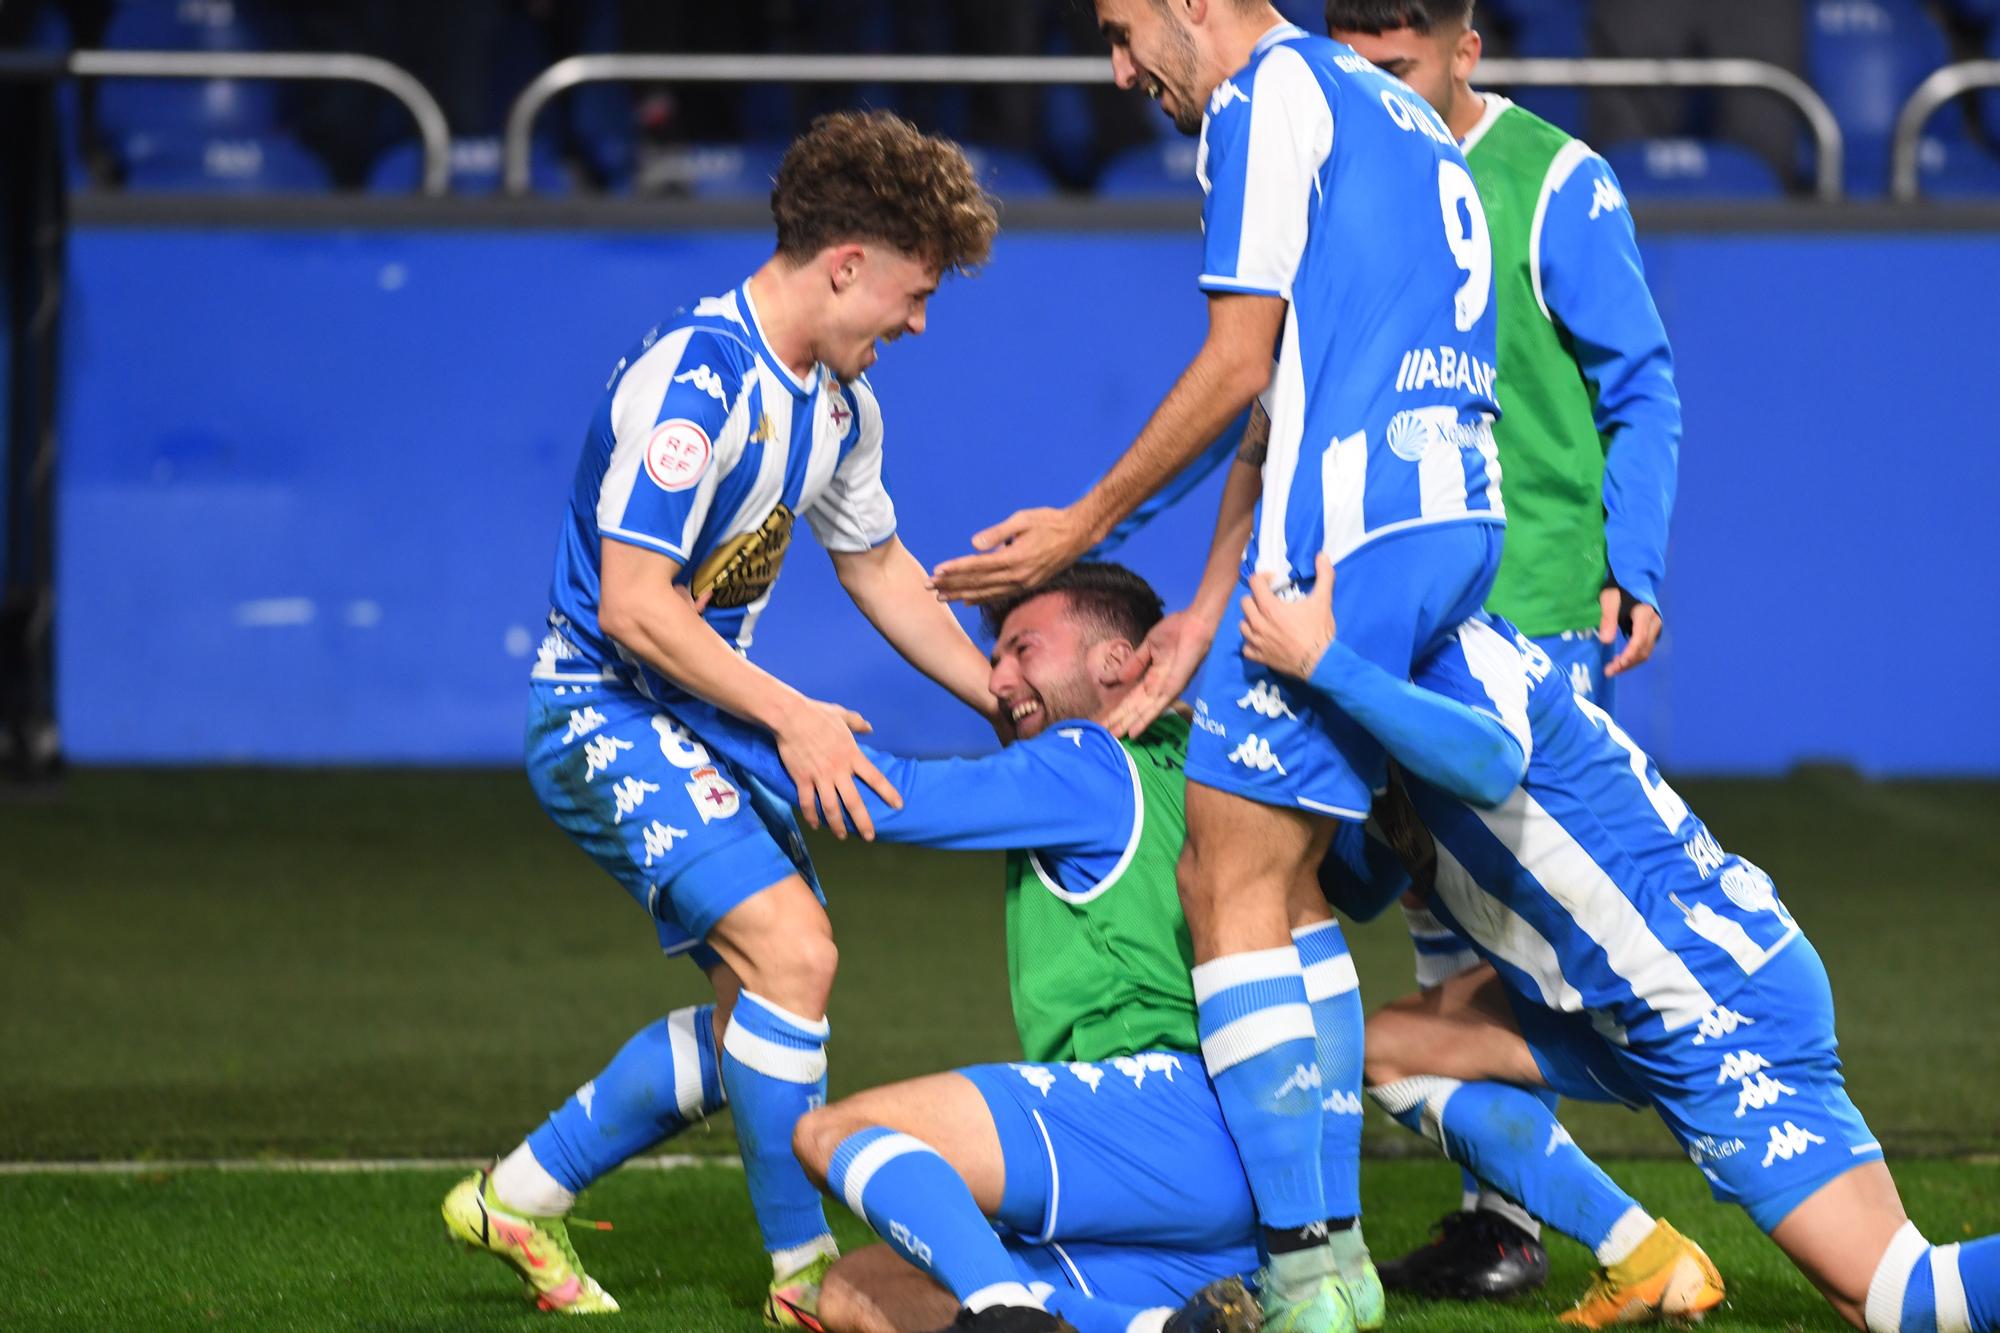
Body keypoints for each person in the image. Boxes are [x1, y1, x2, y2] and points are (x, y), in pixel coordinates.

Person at [931, 6, 1504, 1329]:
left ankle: (1306, 1269)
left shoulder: (1262, 101)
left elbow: (1239, 357)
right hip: (1446, 519)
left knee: (1220, 869)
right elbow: (1281, 390)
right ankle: (1334, 1257)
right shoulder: (1391, 105)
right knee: (1287, 874)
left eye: (1125, 29)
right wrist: (1200, 604)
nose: (1119, 69)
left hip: (1354, 530)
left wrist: (1086, 525)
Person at [439, 110, 1002, 1325]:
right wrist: (792, 713)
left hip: (696, 716)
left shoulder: (840, 408)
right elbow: (637, 608)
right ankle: (802, 1280)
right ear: (844, 262)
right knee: (795, 953)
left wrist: (1002, 696)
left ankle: (515, 1197)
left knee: (767, 1004)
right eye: (911, 294)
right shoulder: (701, 379)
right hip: (604, 706)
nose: (915, 323)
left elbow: (882, 568)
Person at [1232, 559, 2000, 1333]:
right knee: (1395, 1049)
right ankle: (1639, 1251)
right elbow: (1364, 887)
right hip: (1612, 1000)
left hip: (1705, 994)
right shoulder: (1386, 695)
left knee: (1903, 1301)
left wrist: (1321, 666)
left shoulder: (1459, 654)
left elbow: (1490, 764)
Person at [674, 562, 1359, 1333]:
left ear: (1115, 661)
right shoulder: (1206, 749)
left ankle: (1010, 1316)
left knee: (832, 1133)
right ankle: (1159, 1327)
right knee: (861, 1292)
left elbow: (879, 794)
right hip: (1246, 1167)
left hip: (1167, 1112)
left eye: (1022, 650)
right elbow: (1358, 884)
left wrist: (702, 696)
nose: (996, 680)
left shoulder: (1085, 761)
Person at [1323, 0, 1682, 1296]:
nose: (1377, 92)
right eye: (1353, 66)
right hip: (1386, 598)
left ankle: (1695, 1137)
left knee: (1535, 931)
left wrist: (1627, 561)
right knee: (1429, 896)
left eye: (1402, 66)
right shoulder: (1331, 172)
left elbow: (1639, 382)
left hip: (1528, 607)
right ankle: (1501, 1220)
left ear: (1468, 49)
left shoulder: (1554, 184)